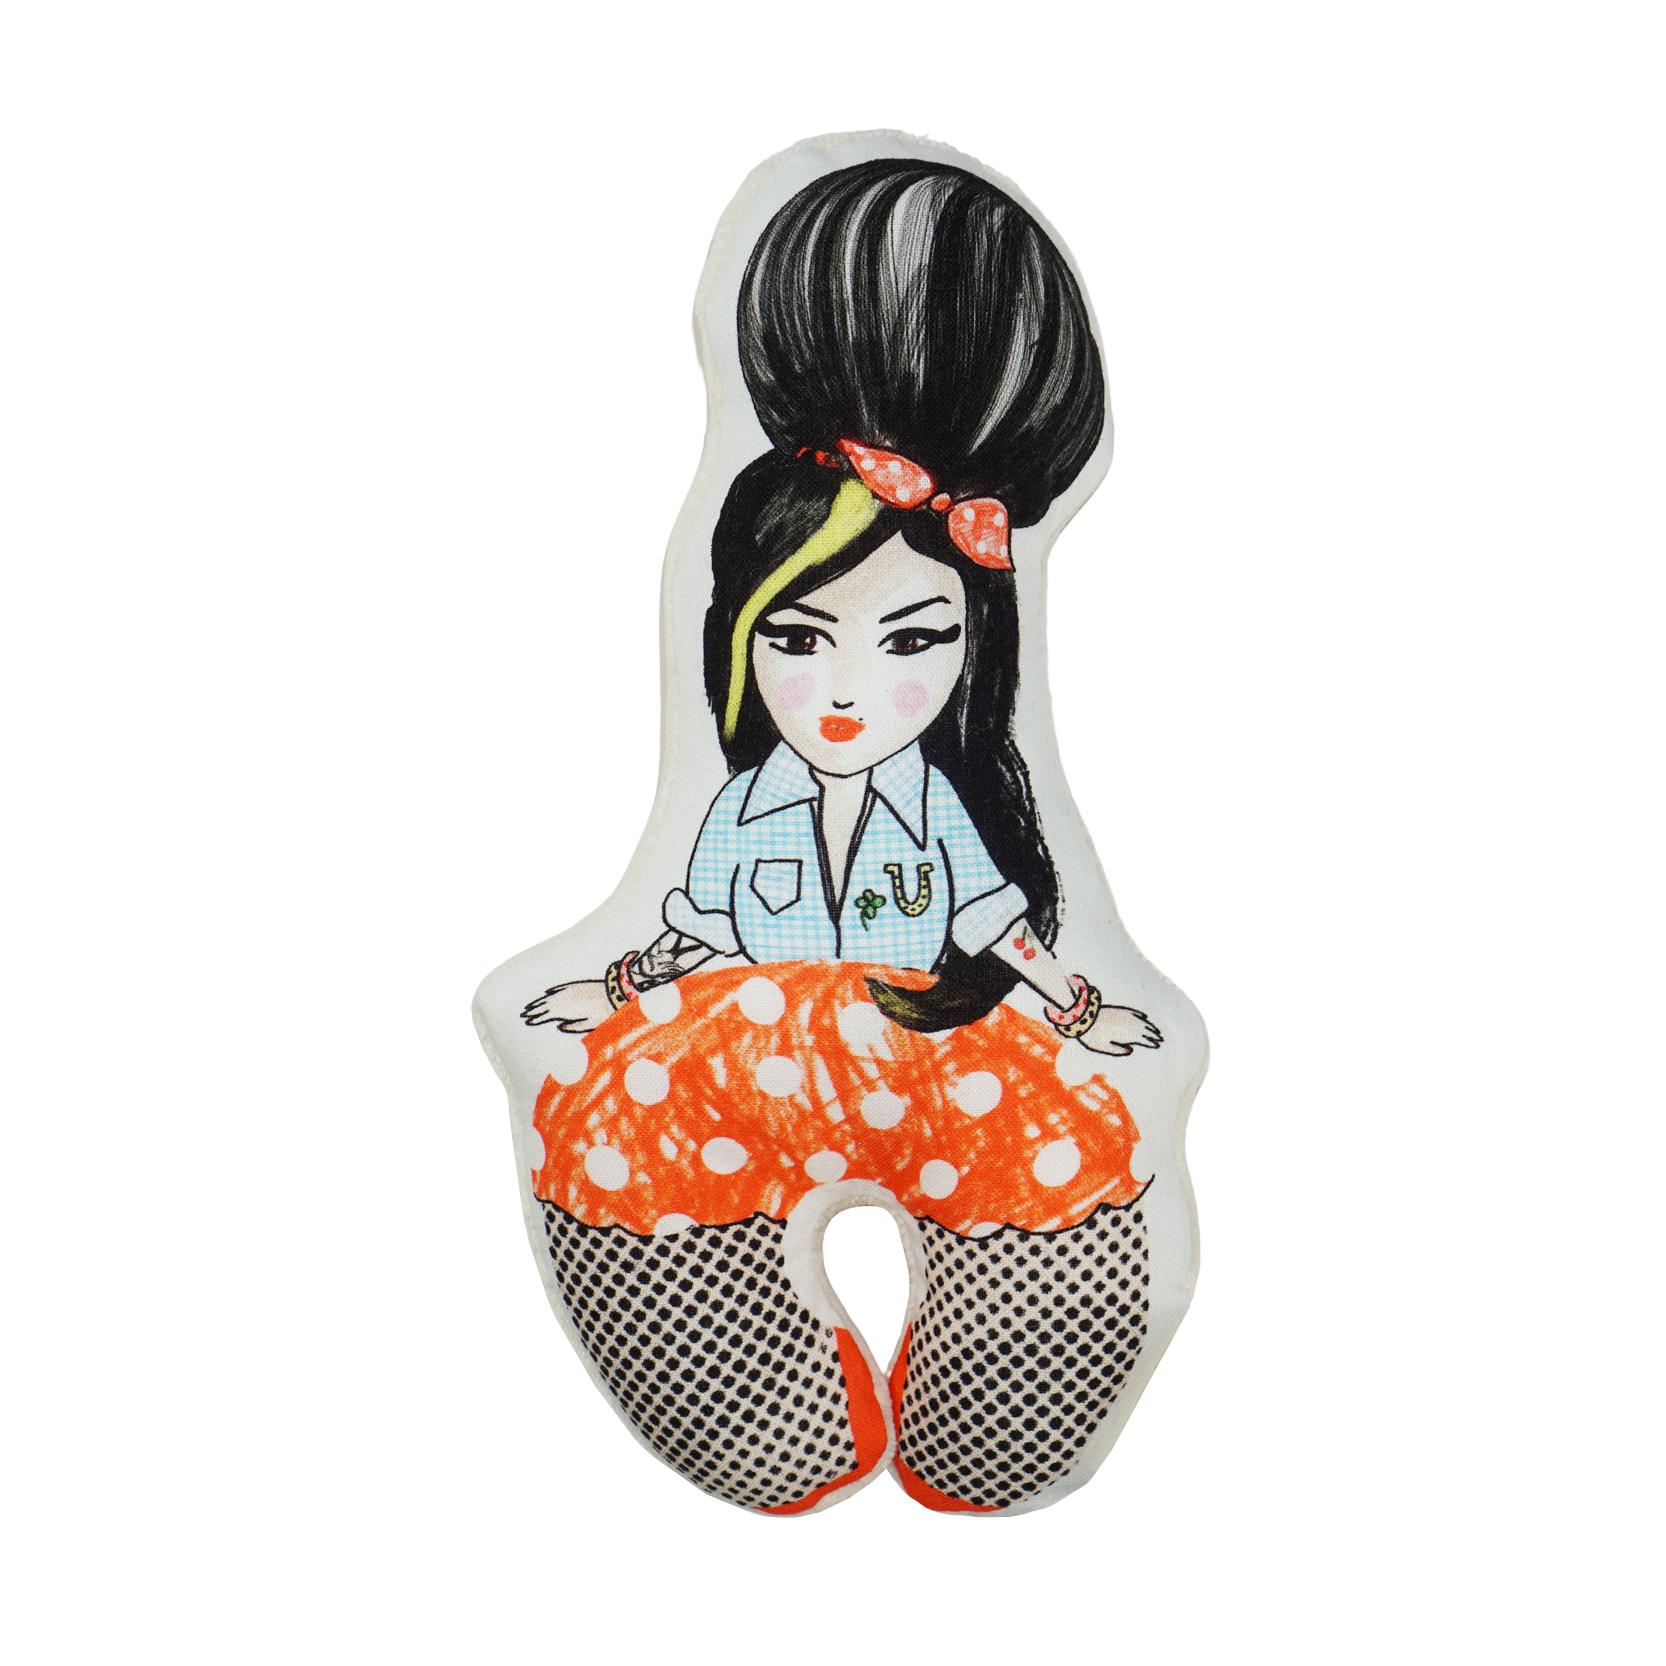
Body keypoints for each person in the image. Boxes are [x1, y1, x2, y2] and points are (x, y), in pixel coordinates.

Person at [520, 160, 1161, 1516]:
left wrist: (1077, 1006)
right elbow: (697, 925)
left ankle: (1019, 1368)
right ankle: (730, 1359)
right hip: (737, 1054)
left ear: (973, 654)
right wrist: (609, 990)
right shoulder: (742, 805)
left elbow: (989, 919)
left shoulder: (942, 804)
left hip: (930, 1043)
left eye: (913, 642)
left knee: (1038, 1180)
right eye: (801, 641)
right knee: (633, 1153)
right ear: (741, 642)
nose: (849, 693)